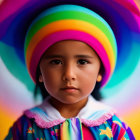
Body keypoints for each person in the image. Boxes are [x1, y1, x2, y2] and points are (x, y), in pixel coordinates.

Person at [5, 4, 135, 140]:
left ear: (100, 72)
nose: (69, 74)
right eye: (56, 62)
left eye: (82, 62)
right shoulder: (24, 127)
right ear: (39, 73)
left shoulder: (113, 127)